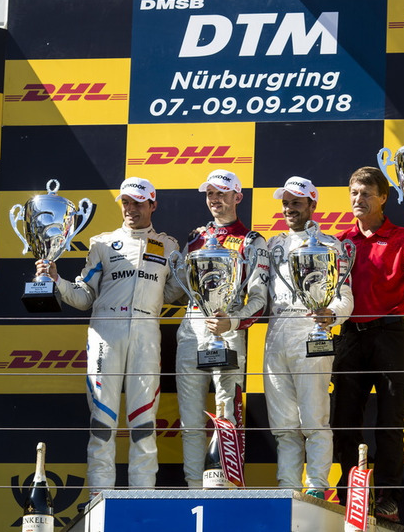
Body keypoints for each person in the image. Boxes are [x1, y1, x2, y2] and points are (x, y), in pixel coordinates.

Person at [35, 177, 182, 496]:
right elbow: (85, 295)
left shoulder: (169, 246)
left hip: (146, 333)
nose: (130, 209)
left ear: (152, 205)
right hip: (106, 331)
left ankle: (142, 498)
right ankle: (99, 497)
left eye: (138, 203)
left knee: (144, 423)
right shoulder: (102, 243)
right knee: (102, 422)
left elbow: (172, 293)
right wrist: (57, 281)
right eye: (126, 202)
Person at [332, 166, 404, 523]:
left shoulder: (402, 237)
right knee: (344, 420)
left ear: (383, 198)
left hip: (390, 333)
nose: (358, 200)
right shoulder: (340, 241)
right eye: (354, 193)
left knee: (390, 421)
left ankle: (387, 499)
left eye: (366, 194)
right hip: (350, 334)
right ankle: (350, 493)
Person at [175, 169, 269, 487]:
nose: (215, 200)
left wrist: (234, 321)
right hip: (191, 329)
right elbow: (177, 288)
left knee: (226, 415)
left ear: (237, 197)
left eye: (222, 193)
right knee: (189, 419)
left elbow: (259, 297)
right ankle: (193, 488)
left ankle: (226, 488)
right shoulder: (195, 238)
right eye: (210, 194)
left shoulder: (252, 240)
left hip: (227, 329)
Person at [264, 176, 353, 499]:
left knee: (314, 417)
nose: (289, 209)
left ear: (313, 205)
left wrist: (331, 315)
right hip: (276, 333)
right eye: (285, 203)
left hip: (312, 331)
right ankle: (288, 487)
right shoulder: (272, 245)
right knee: (284, 424)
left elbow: (345, 297)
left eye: (296, 202)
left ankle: (317, 486)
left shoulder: (331, 245)